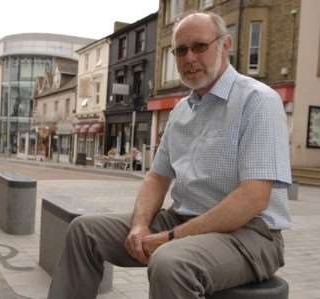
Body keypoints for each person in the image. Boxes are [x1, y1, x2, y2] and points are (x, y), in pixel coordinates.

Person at [47, 11, 291, 299]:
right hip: (181, 220)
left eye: (200, 46)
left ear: (225, 46)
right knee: (83, 231)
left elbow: (254, 197)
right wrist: (140, 225)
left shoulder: (258, 101)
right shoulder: (181, 110)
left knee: (170, 262)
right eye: (180, 50)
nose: (189, 58)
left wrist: (172, 238)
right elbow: (157, 176)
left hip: (249, 234)